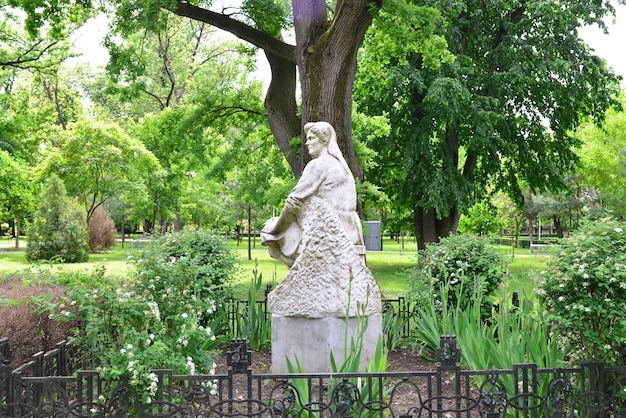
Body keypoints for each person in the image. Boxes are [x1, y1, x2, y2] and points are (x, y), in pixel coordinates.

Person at [261, 121, 364, 267]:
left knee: (269, 234)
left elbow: (293, 202)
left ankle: (297, 271)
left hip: (327, 233)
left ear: (324, 140)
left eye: (311, 139)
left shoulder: (318, 164)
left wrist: (275, 228)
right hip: (352, 232)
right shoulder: (343, 168)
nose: (307, 143)